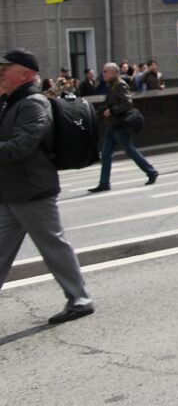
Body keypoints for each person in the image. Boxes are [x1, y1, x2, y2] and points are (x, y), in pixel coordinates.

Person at [0, 48, 95, 325]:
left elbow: (22, 145)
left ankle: (80, 299)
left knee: (53, 245)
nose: (1, 72)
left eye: (7, 68)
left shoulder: (33, 103)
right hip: (11, 190)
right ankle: (79, 297)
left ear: (26, 74)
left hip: (32, 190)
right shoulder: (10, 101)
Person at [88, 62, 159, 191]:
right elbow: (109, 103)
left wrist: (112, 110)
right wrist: (98, 111)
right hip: (112, 124)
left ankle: (151, 171)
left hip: (119, 124)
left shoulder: (120, 84)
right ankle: (104, 183)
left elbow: (128, 103)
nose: (103, 73)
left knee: (129, 150)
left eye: (105, 71)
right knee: (106, 154)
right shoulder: (112, 85)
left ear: (114, 73)